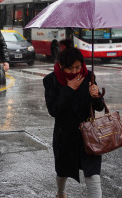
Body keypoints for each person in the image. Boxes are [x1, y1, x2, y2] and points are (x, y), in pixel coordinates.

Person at [43, 47, 104, 198]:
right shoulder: (51, 80)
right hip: (65, 136)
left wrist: (96, 96)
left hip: (88, 135)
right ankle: (61, 192)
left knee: (93, 176)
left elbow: (99, 107)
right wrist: (69, 89)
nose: (75, 71)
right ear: (61, 66)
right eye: (70, 68)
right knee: (63, 171)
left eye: (78, 67)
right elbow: (53, 110)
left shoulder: (88, 76)